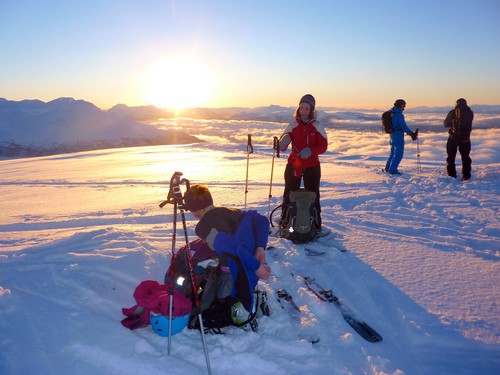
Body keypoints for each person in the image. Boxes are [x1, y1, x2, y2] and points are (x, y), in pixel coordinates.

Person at [183, 184, 271, 314]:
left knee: (222, 302)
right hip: (249, 268)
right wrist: (260, 248)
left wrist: (256, 266)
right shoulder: (232, 211)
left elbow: (233, 247)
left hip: (236, 272)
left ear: (195, 210)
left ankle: (238, 306)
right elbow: (262, 220)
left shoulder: (203, 228)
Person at [278, 94, 328, 228]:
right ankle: (286, 222)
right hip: (294, 164)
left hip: (312, 165)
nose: (304, 111)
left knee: (313, 194)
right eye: (302, 108)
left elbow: (323, 146)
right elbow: (283, 145)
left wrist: (310, 151)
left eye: (307, 109)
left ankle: (315, 224)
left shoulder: (317, 125)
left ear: (312, 110)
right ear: (298, 108)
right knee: (289, 193)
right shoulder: (293, 125)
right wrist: (283, 142)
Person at [385, 99, 419, 174]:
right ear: (400, 105)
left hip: (392, 135)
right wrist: (412, 134)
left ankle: (388, 168)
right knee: (399, 153)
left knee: (393, 152)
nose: (404, 107)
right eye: (403, 105)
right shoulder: (399, 115)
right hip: (398, 135)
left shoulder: (392, 113)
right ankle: (393, 170)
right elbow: (403, 126)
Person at [444, 98, 474, 181]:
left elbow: (446, 124)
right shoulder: (470, 112)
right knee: (465, 157)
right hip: (465, 138)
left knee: (451, 156)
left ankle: (451, 175)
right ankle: (466, 175)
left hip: (453, 137)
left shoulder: (453, 112)